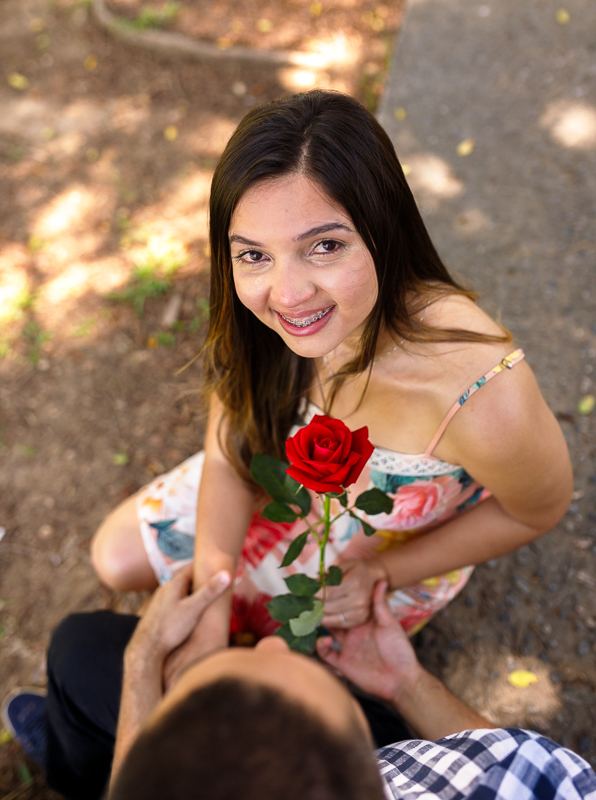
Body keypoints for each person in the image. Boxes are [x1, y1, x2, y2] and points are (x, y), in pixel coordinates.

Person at [90, 90, 572, 672]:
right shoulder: (266, 318)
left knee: (284, 686)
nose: (288, 295)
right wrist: (213, 597)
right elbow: (230, 446)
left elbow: (535, 511)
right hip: (275, 489)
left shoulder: (482, 394)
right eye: (254, 255)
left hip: (371, 557)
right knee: (114, 557)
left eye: (324, 246)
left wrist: (384, 570)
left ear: (383, 228)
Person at [3, 568, 595, 799]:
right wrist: (406, 684)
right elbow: (494, 757)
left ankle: (73, 769)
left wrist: (142, 665)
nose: (269, 642)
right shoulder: (540, 776)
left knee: (78, 652)